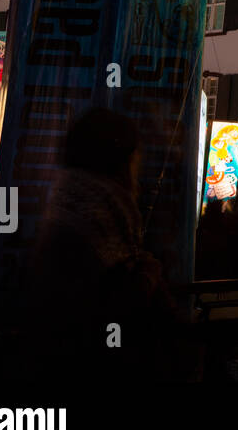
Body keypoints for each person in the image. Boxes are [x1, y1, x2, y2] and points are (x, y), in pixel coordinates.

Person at [27, 107, 178, 379]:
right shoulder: (97, 227)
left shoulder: (71, 211)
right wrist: (145, 278)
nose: (139, 173)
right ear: (119, 164)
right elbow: (104, 318)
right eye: (135, 161)